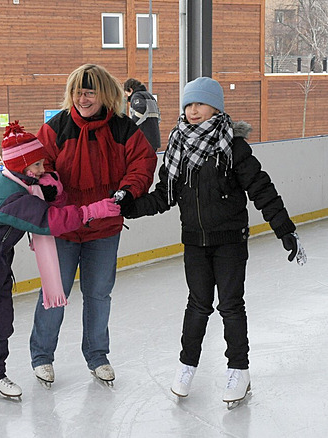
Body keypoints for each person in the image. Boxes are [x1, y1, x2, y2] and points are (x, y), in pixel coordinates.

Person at [120, 76, 306, 406]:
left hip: (231, 241)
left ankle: (239, 370)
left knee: (231, 306)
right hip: (194, 241)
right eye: (188, 104)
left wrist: (285, 229)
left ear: (215, 107)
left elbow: (261, 189)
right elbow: (164, 196)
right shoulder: (177, 145)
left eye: (200, 104)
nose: (193, 110)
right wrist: (127, 208)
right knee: (198, 305)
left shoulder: (233, 146)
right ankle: (187, 365)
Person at [0, 121, 122, 410]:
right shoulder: (11, 196)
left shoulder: (22, 183)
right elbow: (49, 221)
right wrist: (91, 211)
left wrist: (51, 189)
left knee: (1, 324)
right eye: (35, 165)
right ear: (20, 166)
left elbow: (44, 201)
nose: (40, 170)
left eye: (41, 164)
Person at [29, 64, 157, 387]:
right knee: (54, 293)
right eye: (77, 91)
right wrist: (46, 190)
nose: (83, 98)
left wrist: (127, 191)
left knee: (99, 294)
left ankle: (97, 355)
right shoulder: (56, 127)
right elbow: (37, 166)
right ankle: (42, 356)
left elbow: (142, 162)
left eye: (89, 91)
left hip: (104, 227)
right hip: (64, 228)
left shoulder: (123, 129)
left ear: (103, 94)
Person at [123, 78, 161, 152]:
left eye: (126, 93)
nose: (127, 96)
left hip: (143, 138)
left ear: (130, 89)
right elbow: (158, 116)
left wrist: (131, 125)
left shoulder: (136, 96)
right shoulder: (150, 96)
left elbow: (140, 110)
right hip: (154, 138)